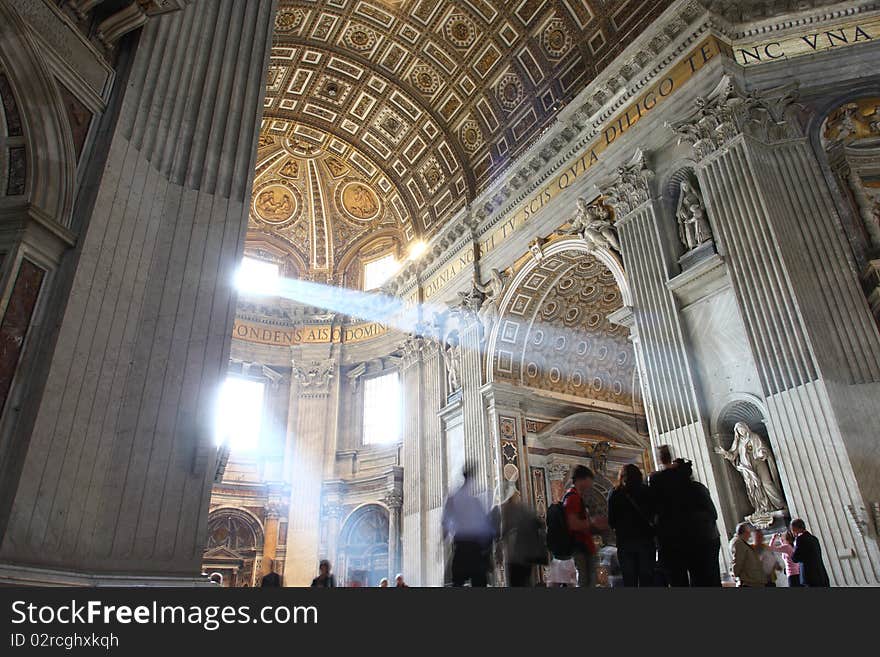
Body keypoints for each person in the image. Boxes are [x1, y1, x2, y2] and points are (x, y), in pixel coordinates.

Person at [650, 457, 721, 586]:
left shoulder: (664, 495)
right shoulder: (697, 488)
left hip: (675, 545)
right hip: (703, 541)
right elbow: (713, 514)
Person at [442, 465, 496, 587]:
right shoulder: (476, 502)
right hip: (475, 548)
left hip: (462, 545)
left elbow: (445, 523)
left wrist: (444, 537)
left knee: (457, 581)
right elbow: (487, 528)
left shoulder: (453, 498)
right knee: (478, 582)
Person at [608, 464, 656, 587]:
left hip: (625, 542)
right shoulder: (647, 491)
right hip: (645, 539)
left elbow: (611, 521)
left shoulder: (615, 494)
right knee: (647, 579)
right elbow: (654, 513)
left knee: (629, 580)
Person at [563, 465, 608, 587]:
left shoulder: (576, 496)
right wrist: (593, 522)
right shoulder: (572, 497)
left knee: (588, 581)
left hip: (584, 546)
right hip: (580, 547)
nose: (592, 483)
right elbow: (572, 524)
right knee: (585, 581)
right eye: (590, 479)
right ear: (582, 479)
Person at [495, 485, 546, 587]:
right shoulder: (525, 509)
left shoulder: (508, 510)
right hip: (527, 555)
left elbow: (502, 533)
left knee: (517, 582)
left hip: (517, 556)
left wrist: (499, 550)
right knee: (525, 581)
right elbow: (540, 524)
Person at [790, 518, 831, 587]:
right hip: (821, 575)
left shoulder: (800, 539)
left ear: (795, 528)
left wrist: (794, 546)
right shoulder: (814, 538)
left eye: (792, 529)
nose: (792, 532)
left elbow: (794, 558)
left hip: (810, 577)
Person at [729, 523, 765, 588]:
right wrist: (735, 574)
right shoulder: (738, 543)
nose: (750, 535)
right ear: (744, 533)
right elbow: (738, 562)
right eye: (749, 532)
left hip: (752, 581)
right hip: (748, 582)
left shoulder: (741, 542)